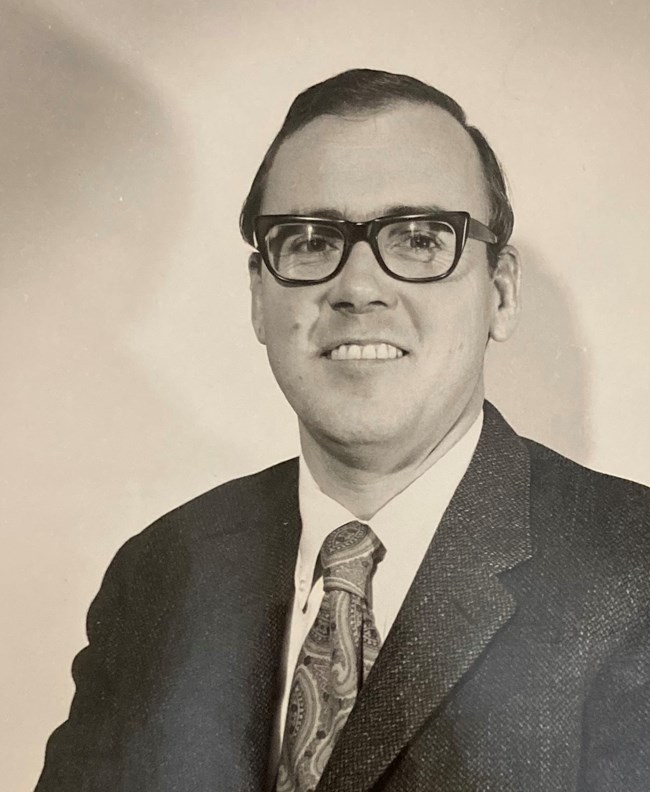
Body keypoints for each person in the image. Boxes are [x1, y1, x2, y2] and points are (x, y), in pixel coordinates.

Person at [35, 69, 650, 792]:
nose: (358, 288)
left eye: (420, 239)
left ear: (501, 294)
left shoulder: (633, 572)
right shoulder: (160, 574)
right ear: (260, 299)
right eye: (308, 239)